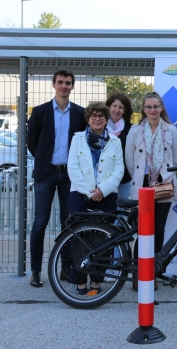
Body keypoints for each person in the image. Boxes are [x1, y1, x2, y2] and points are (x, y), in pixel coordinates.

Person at [27, 69, 87, 288]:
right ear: (53, 84)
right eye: (60, 82)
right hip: (46, 173)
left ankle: (66, 269)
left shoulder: (80, 114)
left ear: (72, 86)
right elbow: (32, 143)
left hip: (70, 176)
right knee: (39, 223)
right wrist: (44, 161)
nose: (64, 86)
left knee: (68, 223)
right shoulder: (40, 111)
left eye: (68, 83)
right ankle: (35, 271)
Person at [125, 91, 177, 291]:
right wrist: (144, 179)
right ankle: (137, 274)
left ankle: (153, 274)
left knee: (158, 231)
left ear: (161, 108)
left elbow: (175, 160)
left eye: (155, 106)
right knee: (142, 232)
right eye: (148, 107)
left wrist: (160, 176)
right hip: (143, 188)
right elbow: (130, 162)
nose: (152, 110)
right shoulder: (135, 131)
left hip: (163, 186)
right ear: (143, 109)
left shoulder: (170, 131)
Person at [67, 102, 124, 294]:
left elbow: (119, 170)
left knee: (103, 240)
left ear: (106, 119)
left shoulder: (115, 142)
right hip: (80, 195)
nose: (97, 119)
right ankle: (80, 281)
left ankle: (96, 282)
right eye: (94, 116)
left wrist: (103, 189)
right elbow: (72, 168)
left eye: (101, 116)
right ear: (88, 119)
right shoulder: (77, 139)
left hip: (106, 196)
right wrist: (91, 191)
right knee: (79, 238)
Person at [105, 91, 134, 199]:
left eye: (120, 107)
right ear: (108, 107)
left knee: (123, 211)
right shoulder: (99, 126)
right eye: (114, 106)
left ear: (125, 111)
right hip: (104, 179)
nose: (117, 110)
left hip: (124, 179)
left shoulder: (131, 129)